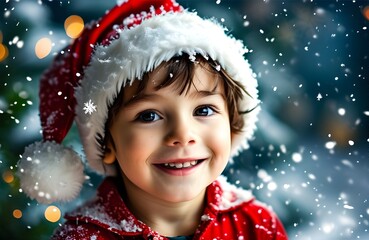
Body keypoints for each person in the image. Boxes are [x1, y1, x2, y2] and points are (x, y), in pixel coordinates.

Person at [17, 0, 288, 239]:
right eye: (149, 115)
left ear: (232, 124)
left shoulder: (258, 225)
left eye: (203, 110)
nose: (183, 134)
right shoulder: (81, 238)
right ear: (106, 142)